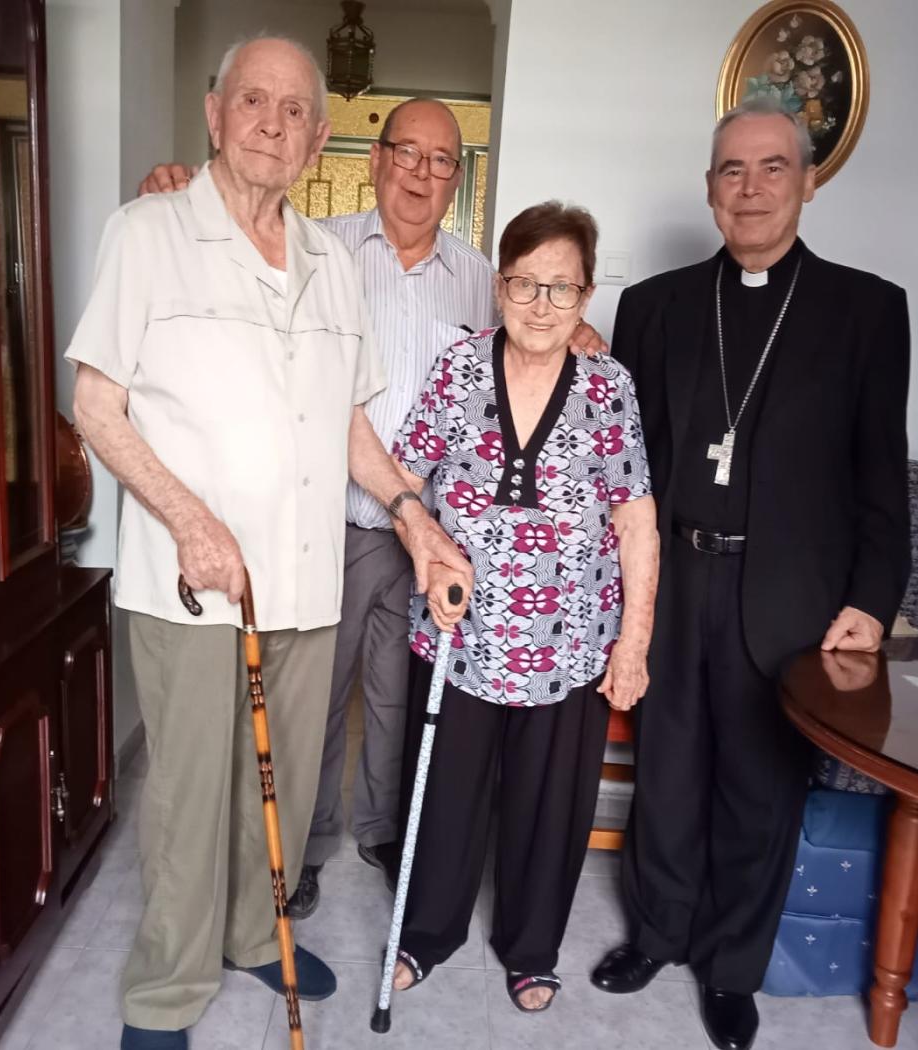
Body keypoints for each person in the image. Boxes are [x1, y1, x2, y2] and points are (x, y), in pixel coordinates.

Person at [66, 36, 466, 1050]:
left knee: (277, 783)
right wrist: (191, 519)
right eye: (254, 101)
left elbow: (350, 427)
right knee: (193, 794)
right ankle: (164, 991)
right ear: (215, 114)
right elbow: (96, 405)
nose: (272, 125)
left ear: (318, 139)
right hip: (193, 585)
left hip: (305, 579)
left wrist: (412, 513)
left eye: (295, 111)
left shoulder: (333, 262)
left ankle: (254, 934)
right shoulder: (149, 231)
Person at [138, 101, 605, 918]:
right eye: (408, 155)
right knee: (315, 698)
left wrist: (580, 327)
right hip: (328, 523)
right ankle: (311, 845)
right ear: (377, 160)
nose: (422, 175)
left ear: (458, 179)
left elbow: (532, 345)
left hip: (428, 535)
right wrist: (177, 192)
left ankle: (389, 834)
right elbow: (227, 251)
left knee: (398, 695)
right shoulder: (315, 246)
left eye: (442, 162)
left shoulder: (476, 276)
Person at [589, 96, 911, 1050]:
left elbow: (878, 475)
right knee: (669, 772)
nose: (753, 188)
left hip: (792, 600)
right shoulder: (655, 307)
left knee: (760, 789)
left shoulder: (866, 310)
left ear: (809, 183)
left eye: (774, 168)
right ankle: (655, 931)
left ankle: (732, 970)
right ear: (709, 190)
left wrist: (872, 601)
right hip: (674, 583)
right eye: (733, 170)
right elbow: (626, 461)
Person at [387, 201, 659, 1013]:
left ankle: (531, 947)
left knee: (551, 806)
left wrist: (633, 643)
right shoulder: (460, 369)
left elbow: (635, 516)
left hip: (572, 640)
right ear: (498, 285)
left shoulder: (609, 387)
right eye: (525, 285)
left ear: (587, 294)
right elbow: (403, 479)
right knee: (443, 792)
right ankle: (426, 932)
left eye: (561, 289)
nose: (541, 306)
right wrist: (425, 550)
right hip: (460, 631)